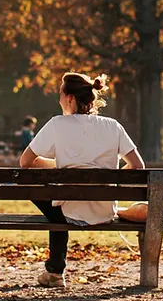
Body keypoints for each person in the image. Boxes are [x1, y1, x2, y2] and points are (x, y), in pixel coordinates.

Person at [20, 72, 143, 288]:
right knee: (61, 199)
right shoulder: (113, 126)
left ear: (69, 98)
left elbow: (25, 162)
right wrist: (110, 180)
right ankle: (54, 270)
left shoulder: (57, 124)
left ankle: (56, 271)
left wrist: (56, 167)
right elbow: (137, 166)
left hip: (66, 210)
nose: (58, 99)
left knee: (38, 191)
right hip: (103, 210)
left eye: (60, 94)